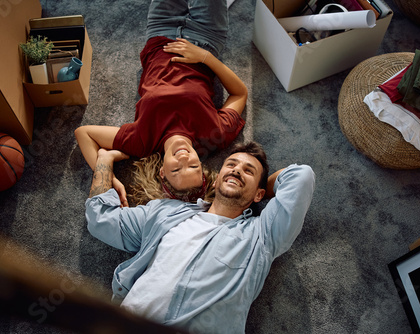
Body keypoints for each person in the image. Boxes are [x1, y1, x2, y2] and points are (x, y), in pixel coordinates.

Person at [85, 141, 316, 333]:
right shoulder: (164, 212)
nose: (236, 170)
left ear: (260, 194)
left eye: (248, 170)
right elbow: (100, 218)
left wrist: (254, 188)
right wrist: (105, 160)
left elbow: (301, 177)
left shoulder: (262, 236)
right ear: (216, 180)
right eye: (231, 165)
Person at [74, 0, 247, 207]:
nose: (184, 159)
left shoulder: (142, 143)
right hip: (206, 38)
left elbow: (84, 133)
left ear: (162, 172)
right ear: (201, 165)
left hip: (160, 32)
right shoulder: (214, 134)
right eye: (193, 166)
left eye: (176, 170)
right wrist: (205, 56)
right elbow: (240, 94)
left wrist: (109, 178)